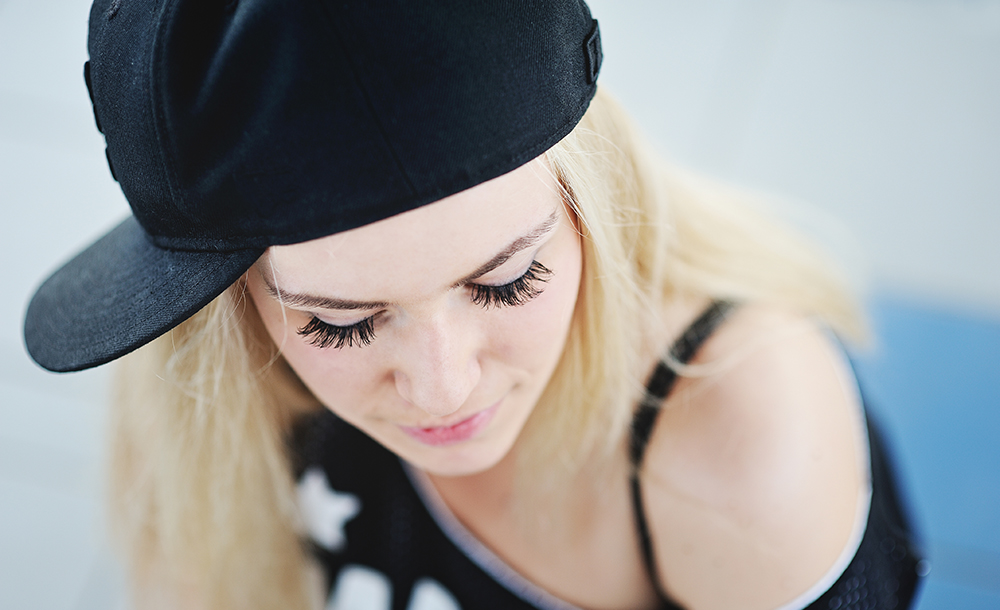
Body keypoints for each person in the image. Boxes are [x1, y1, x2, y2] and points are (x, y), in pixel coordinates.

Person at [24, 0, 924, 608]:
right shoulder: (213, 394)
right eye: (342, 323)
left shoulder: (744, 461)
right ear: (229, 306)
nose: (442, 387)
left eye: (508, 280)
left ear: (586, 209)